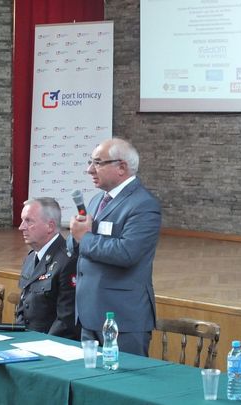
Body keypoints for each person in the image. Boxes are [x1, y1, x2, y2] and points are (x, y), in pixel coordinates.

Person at [68, 138, 162, 356]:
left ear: (121, 167)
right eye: (90, 162)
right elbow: (76, 247)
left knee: (124, 377)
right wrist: (75, 236)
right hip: (89, 315)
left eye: (98, 163)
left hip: (122, 318)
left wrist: (84, 237)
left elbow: (127, 253)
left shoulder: (143, 204)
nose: (90, 170)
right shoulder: (96, 200)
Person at [16, 197, 80, 340]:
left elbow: (66, 319)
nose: (21, 227)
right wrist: (19, 339)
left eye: (28, 221)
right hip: (27, 340)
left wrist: (42, 344)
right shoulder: (31, 258)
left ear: (50, 226)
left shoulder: (68, 261)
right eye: (22, 220)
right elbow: (23, 309)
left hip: (52, 343)